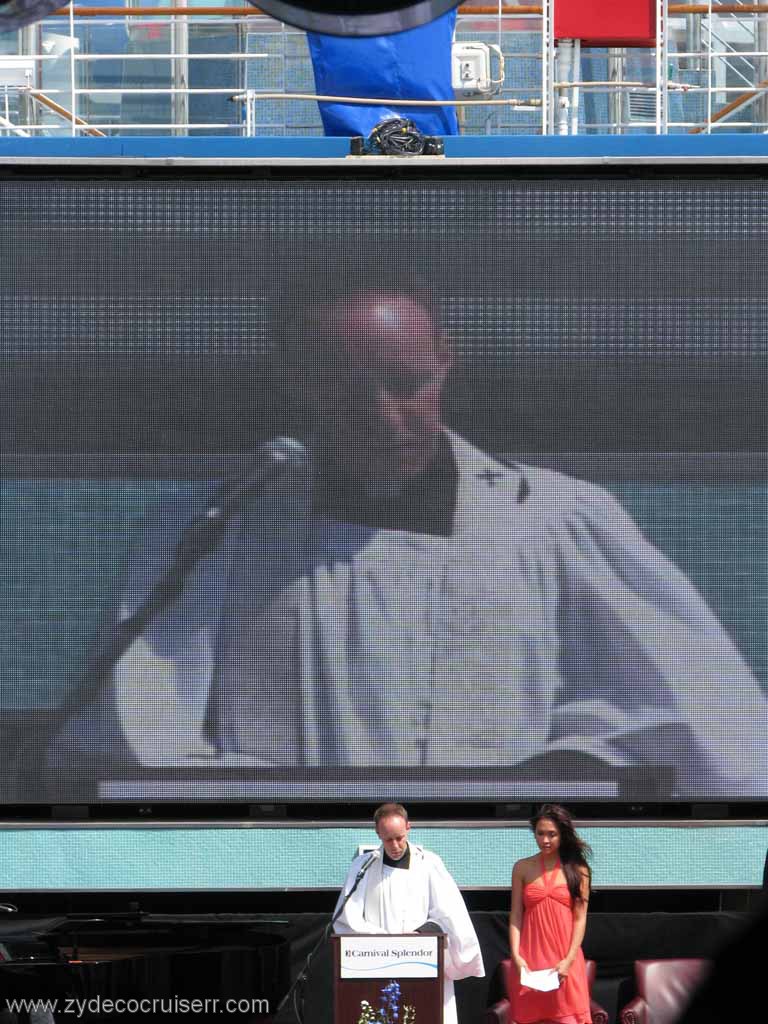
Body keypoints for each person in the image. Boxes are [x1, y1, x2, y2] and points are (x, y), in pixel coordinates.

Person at [41, 283, 767, 799]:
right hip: (283, 885)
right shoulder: (213, 533)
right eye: (348, 392)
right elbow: (132, 741)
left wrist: (556, 775)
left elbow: (709, 728)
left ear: (446, 360)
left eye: (407, 384)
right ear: (295, 379)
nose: (385, 420)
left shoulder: (556, 524)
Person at [332, 803, 484, 1024]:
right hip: (377, 962)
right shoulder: (363, 867)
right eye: (387, 839)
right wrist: (386, 942)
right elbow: (347, 919)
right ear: (378, 834)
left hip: (423, 960)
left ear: (409, 828)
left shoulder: (429, 864)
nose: (394, 845)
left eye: (399, 838)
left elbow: (450, 915)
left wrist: (422, 933)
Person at [508, 804, 592, 1024]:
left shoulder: (578, 870)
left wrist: (569, 960)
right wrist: (516, 956)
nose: (545, 840)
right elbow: (516, 915)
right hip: (530, 959)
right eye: (540, 833)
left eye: (552, 834)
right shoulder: (522, 868)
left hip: (565, 959)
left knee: (569, 1018)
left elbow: (580, 918)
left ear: (562, 834)